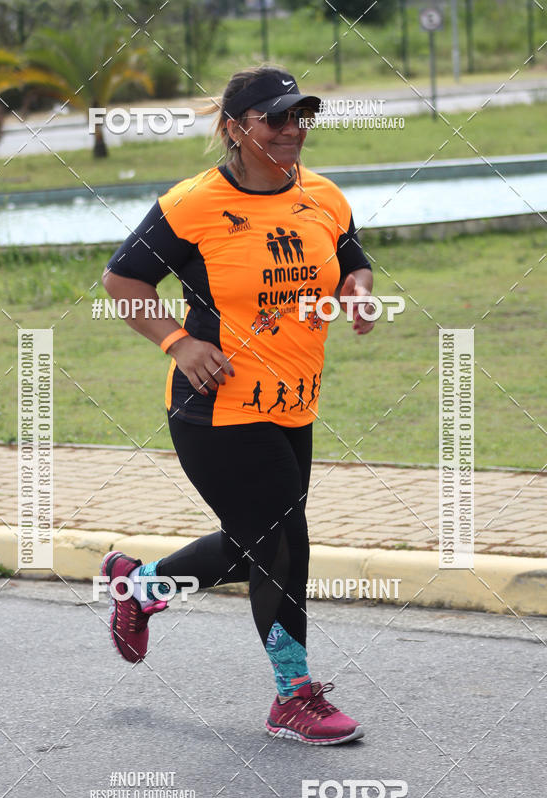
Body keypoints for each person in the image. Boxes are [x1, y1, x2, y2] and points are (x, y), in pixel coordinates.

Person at [100, 65, 374, 745]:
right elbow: (122, 279)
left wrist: (359, 290)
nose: (291, 131)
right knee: (284, 543)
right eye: (275, 119)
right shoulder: (192, 205)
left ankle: (141, 587)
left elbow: (351, 255)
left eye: (300, 116)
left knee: (258, 544)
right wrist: (176, 342)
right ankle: (293, 696)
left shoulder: (323, 197)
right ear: (234, 128)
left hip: (294, 405)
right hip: (215, 410)